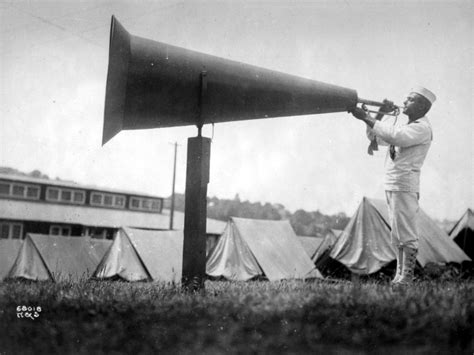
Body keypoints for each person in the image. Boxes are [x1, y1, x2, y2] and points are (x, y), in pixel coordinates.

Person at [350, 86, 436, 288]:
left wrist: (366, 116)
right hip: (393, 183)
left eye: (410, 100)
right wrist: (376, 114)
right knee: (397, 234)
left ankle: (407, 277)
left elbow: (395, 136)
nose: (404, 102)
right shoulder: (409, 125)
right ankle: (400, 276)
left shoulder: (422, 127)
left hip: (404, 184)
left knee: (405, 232)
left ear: (423, 106)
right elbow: (376, 136)